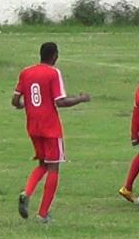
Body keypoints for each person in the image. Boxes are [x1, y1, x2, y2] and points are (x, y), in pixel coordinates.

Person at [13, 42, 90, 224]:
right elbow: (60, 101)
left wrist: (26, 105)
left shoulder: (26, 72)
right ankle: (42, 214)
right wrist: (80, 98)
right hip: (50, 126)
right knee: (54, 166)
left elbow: (15, 100)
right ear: (55, 55)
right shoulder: (53, 73)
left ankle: (27, 192)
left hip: (33, 126)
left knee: (43, 163)